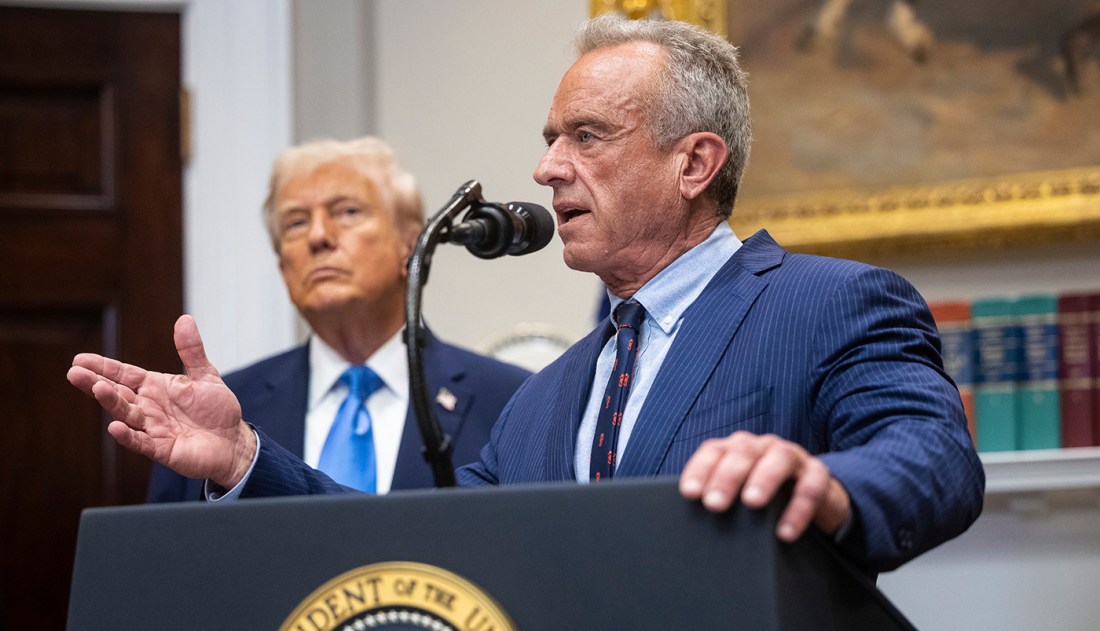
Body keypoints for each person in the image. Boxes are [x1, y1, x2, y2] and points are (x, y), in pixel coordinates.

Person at [68, 15, 983, 574]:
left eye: (587, 136)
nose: (548, 168)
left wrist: (826, 485)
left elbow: (935, 456)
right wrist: (240, 459)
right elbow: (418, 542)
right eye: (552, 138)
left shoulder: (831, 304)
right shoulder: (547, 396)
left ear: (695, 162)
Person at [145, 137, 531, 501]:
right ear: (283, 267)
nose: (318, 236)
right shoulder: (219, 414)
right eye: (296, 222)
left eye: (347, 212)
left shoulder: (512, 400)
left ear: (410, 246)